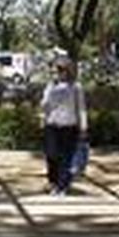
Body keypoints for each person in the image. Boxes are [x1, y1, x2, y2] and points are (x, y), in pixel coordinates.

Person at [39, 57, 88, 195]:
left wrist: (83, 127)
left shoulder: (76, 87)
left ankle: (63, 185)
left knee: (66, 157)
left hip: (69, 126)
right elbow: (44, 105)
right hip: (52, 125)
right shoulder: (50, 86)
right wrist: (42, 118)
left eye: (59, 70)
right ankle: (53, 182)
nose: (56, 73)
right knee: (51, 155)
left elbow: (81, 108)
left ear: (67, 71)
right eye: (55, 70)